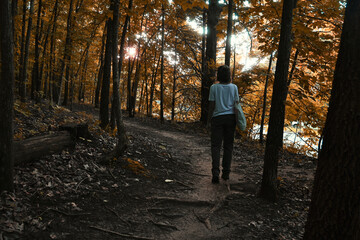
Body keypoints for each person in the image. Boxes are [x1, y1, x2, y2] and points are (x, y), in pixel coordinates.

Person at [208, 65, 239, 184]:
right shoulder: (234, 87)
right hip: (230, 119)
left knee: (215, 146)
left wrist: (208, 121)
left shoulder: (213, 88)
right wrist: (237, 122)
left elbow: (211, 106)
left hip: (217, 119)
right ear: (229, 75)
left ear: (219, 75)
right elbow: (236, 106)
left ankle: (215, 173)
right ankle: (226, 174)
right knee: (228, 147)